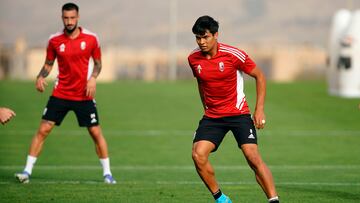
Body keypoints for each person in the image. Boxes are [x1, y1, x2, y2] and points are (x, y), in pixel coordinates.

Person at [15, 2, 116, 184]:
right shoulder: (54, 40)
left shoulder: (92, 39)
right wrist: (40, 76)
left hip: (84, 95)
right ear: (62, 18)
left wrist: (93, 78)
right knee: (43, 129)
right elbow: (48, 63)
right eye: (66, 18)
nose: (69, 21)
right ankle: (26, 171)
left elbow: (98, 63)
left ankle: (107, 174)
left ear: (78, 18)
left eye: (72, 18)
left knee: (95, 132)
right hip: (60, 93)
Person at [188, 16, 279, 203]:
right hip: (213, 116)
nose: (201, 42)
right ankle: (221, 199)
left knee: (252, 157)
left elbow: (260, 76)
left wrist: (259, 109)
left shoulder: (233, 54)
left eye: (205, 37)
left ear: (215, 35)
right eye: (198, 38)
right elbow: (201, 83)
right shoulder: (193, 59)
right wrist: (206, 107)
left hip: (239, 114)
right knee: (198, 155)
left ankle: (274, 200)